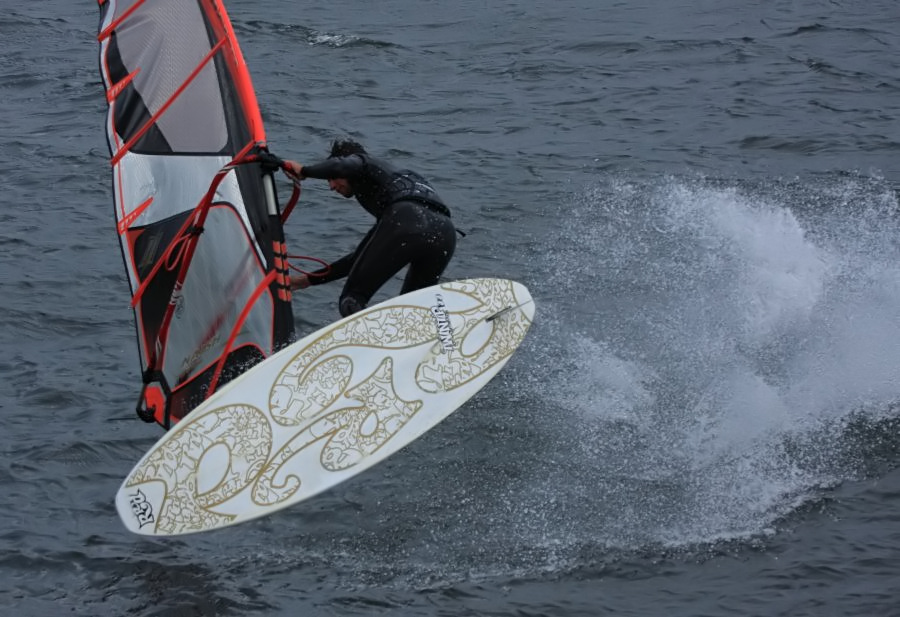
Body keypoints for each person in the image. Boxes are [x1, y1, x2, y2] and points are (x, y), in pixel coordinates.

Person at [283, 139, 457, 317]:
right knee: (413, 309)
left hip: (408, 219)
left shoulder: (363, 163)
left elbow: (340, 166)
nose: (332, 187)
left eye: (332, 179)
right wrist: (303, 282)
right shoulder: (394, 183)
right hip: (446, 233)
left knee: (352, 298)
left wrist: (304, 171)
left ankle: (362, 342)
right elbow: (358, 259)